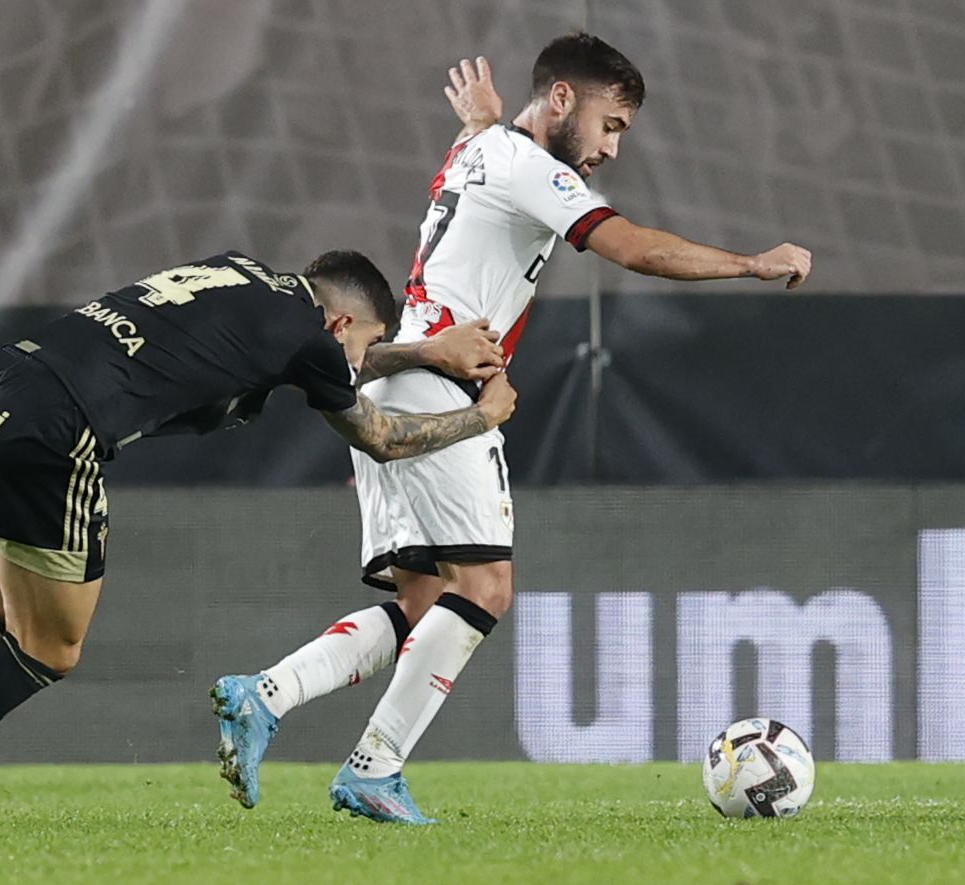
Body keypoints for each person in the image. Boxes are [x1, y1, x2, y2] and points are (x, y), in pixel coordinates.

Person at [212, 34, 813, 825]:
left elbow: (484, 175)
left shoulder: (480, 150)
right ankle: (372, 767)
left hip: (387, 378)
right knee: (487, 588)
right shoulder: (531, 166)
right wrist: (753, 262)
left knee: (426, 604)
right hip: (439, 382)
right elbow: (630, 247)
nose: (611, 147)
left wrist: (481, 125)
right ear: (561, 98)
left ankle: (269, 694)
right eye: (612, 122)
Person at [0, 248, 516, 828]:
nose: (360, 359)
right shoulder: (309, 336)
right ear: (340, 319)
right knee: (46, 653)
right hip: (57, 431)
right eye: (364, 345)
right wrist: (480, 416)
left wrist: (410, 349)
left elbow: (279, 372)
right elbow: (375, 433)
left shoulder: (239, 273)